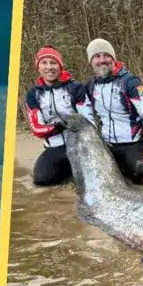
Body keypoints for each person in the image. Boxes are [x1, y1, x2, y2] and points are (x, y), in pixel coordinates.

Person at [76, 38, 143, 185]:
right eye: (97, 56)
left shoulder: (129, 82)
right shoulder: (89, 86)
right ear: (91, 62)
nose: (102, 60)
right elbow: (84, 115)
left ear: (113, 59)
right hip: (107, 144)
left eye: (106, 55)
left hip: (132, 142)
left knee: (140, 177)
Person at [22, 45, 86, 186]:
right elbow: (36, 128)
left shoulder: (75, 88)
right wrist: (57, 127)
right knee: (41, 180)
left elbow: (88, 121)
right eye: (44, 63)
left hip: (79, 146)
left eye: (53, 63)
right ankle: (65, 171)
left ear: (60, 66)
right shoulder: (33, 94)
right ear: (38, 67)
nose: (49, 67)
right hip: (54, 148)